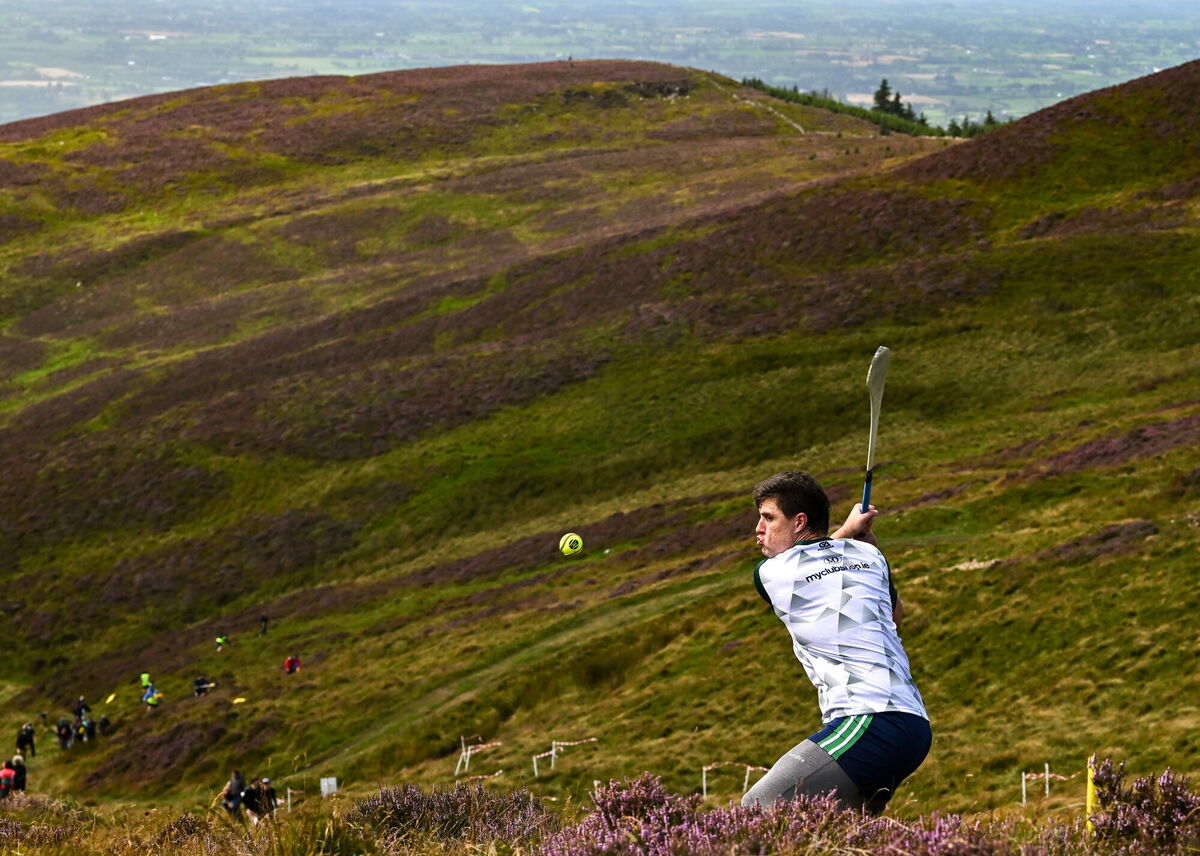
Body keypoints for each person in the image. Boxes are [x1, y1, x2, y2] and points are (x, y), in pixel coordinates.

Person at [742, 471, 931, 816]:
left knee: (756, 808)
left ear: (799, 522)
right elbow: (896, 619)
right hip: (914, 726)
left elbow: (810, 558)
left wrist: (847, 534)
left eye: (768, 518)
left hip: (869, 720)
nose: (758, 529)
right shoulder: (872, 557)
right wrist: (858, 543)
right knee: (840, 836)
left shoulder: (773, 572)